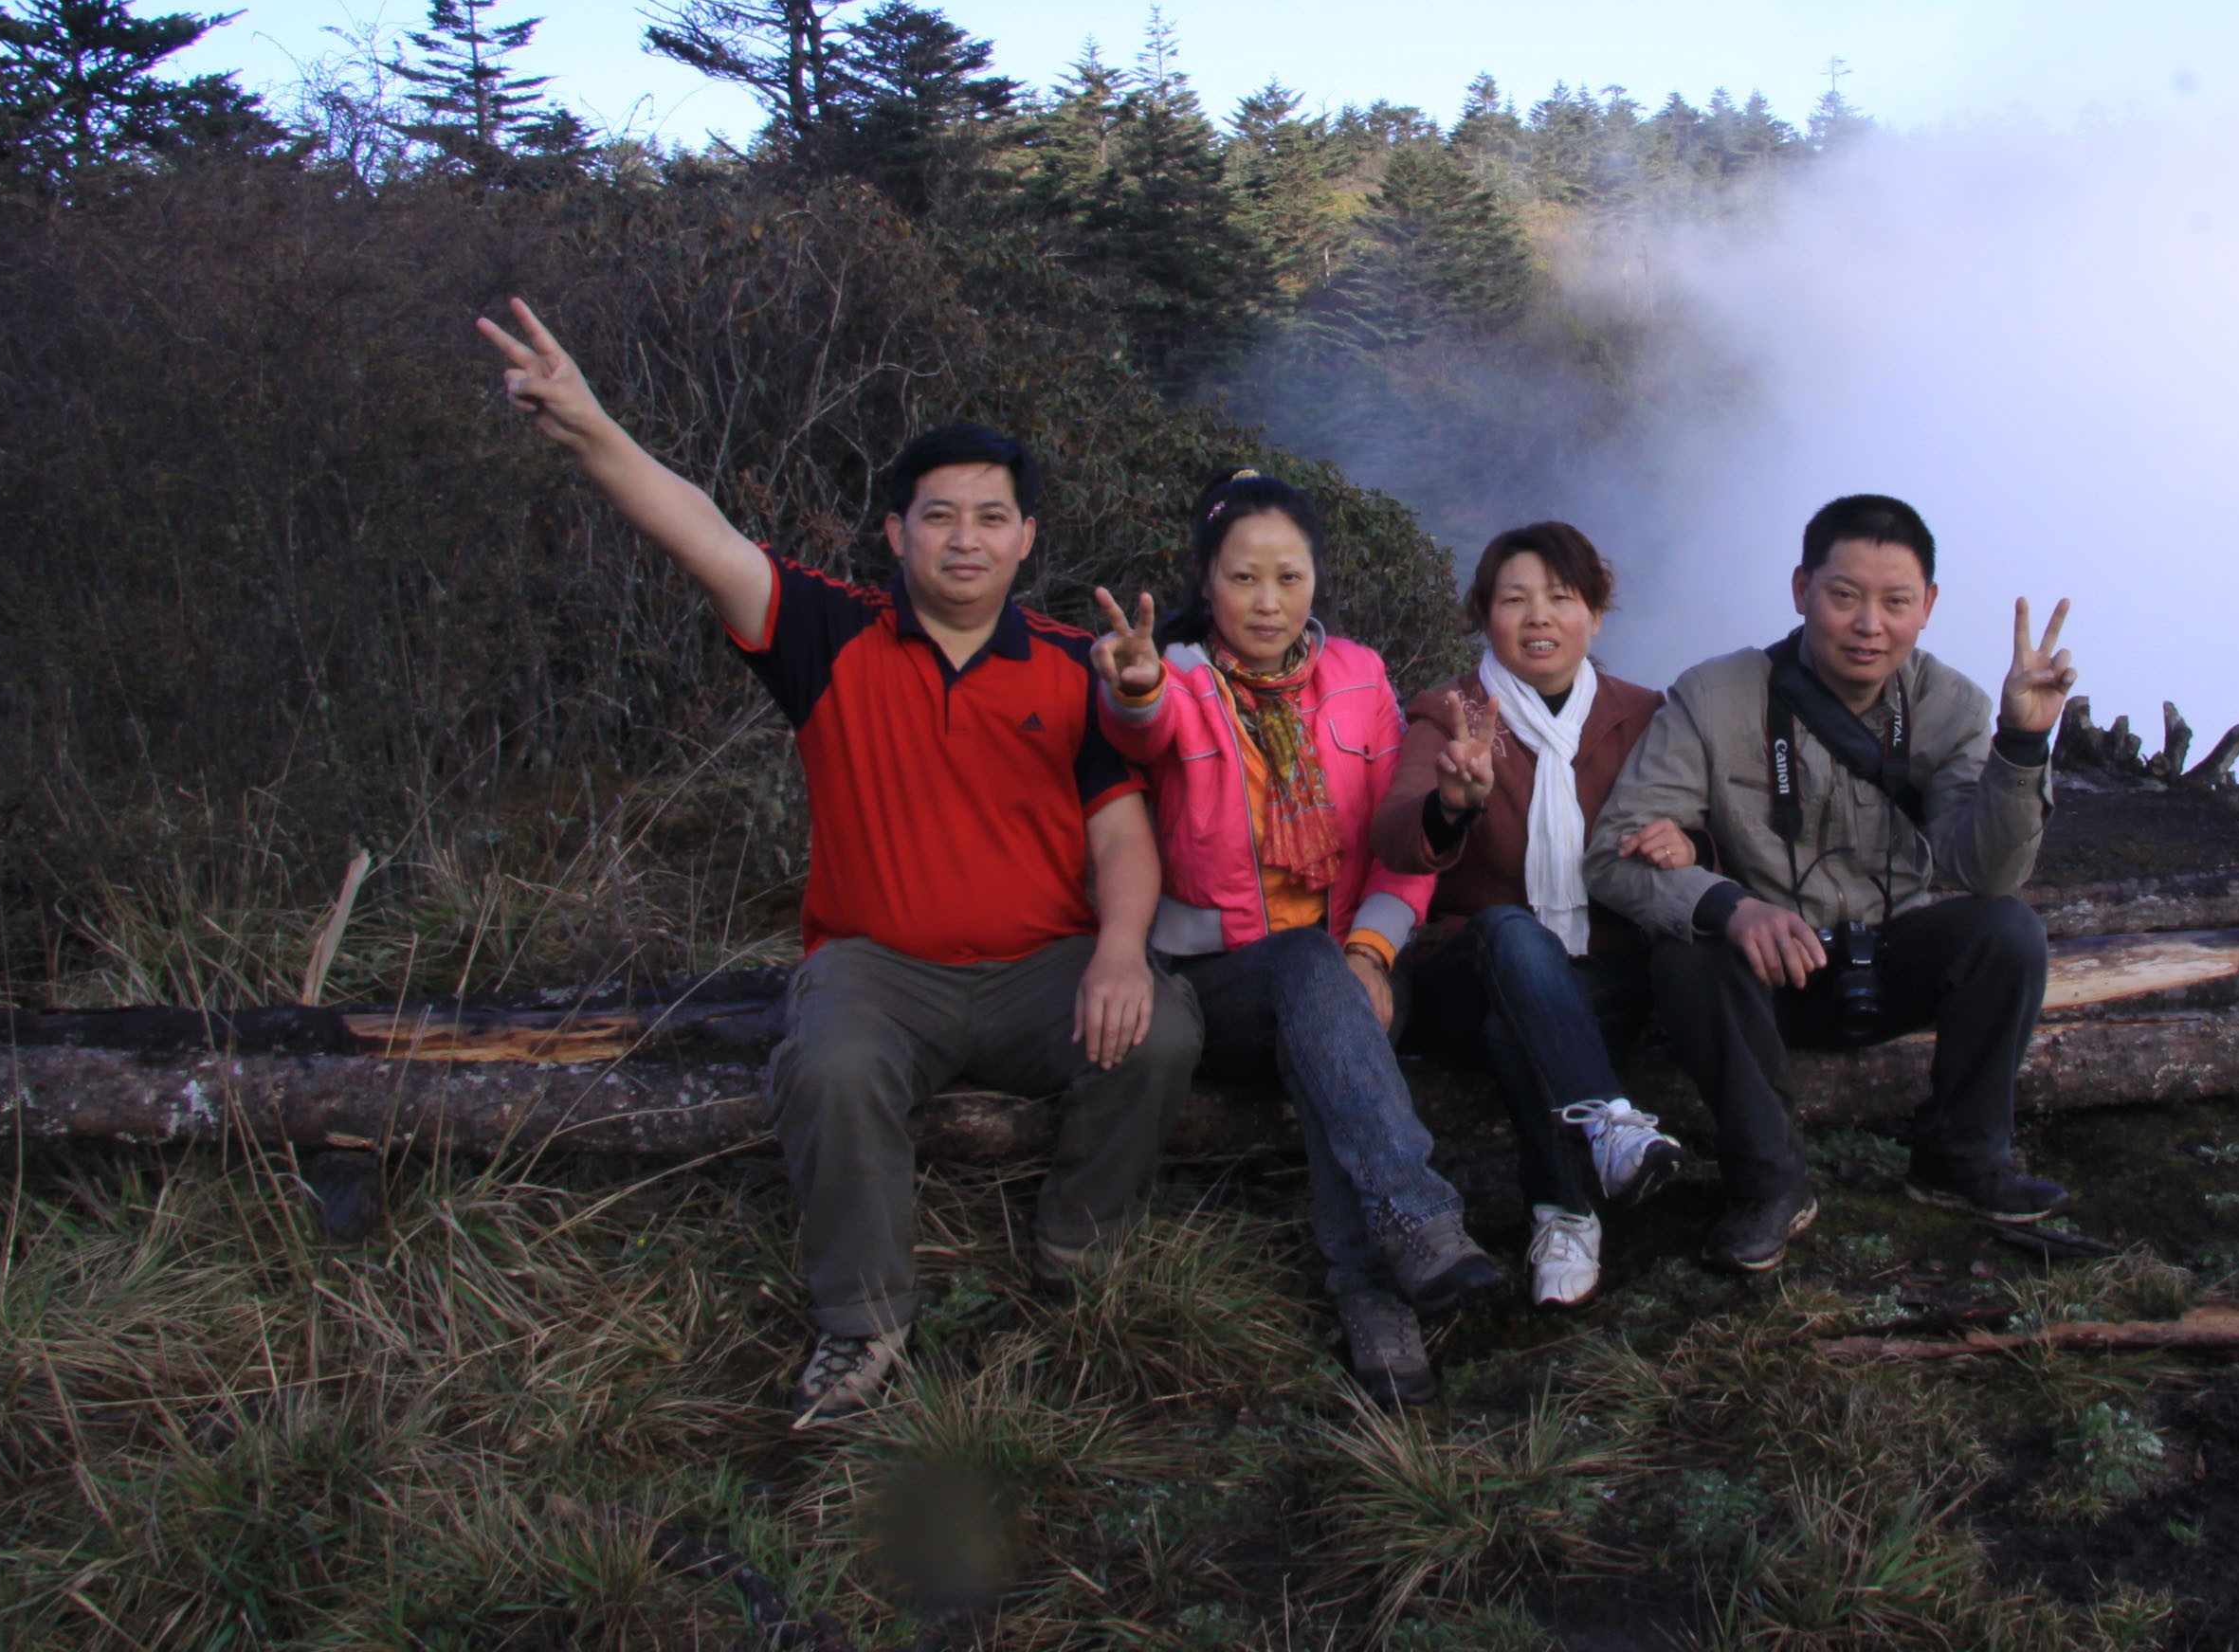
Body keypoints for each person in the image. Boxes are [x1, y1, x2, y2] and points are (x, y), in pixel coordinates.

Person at [477, 299, 1201, 1428]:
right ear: (895, 533)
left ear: (1027, 539)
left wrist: (1118, 954)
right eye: (940, 516)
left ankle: (1078, 1253)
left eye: (992, 517)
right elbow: (701, 531)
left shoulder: (1080, 665)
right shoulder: (829, 633)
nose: (965, 537)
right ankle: (864, 1323)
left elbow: (1121, 830)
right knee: (828, 1065)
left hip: (1038, 969)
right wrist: (587, 424)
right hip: (880, 966)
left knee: (1161, 1025)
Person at [1086, 471, 1503, 1406]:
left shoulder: (1359, 677)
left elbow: (1403, 843)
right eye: (1242, 579)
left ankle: (1378, 1296)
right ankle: (1418, 1223)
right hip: (1215, 979)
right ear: (1206, 579)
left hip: (1345, 970)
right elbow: (1139, 727)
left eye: (1289, 576)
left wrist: (1375, 951)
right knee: (1314, 979)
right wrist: (1138, 689)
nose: (1267, 602)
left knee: (1330, 1007)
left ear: (1317, 577)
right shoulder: (1179, 675)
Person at [1585, 493, 2077, 1274]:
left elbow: (1988, 872)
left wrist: (2022, 742)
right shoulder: (1715, 697)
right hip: (1767, 971)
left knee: (2006, 930)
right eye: (1844, 595)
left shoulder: (1953, 706)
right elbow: (1613, 853)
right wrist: (1729, 905)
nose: (1868, 623)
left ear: (1930, 608)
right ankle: (1770, 1185)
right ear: (1800, 590)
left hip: (1888, 957)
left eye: (1895, 602)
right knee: (1690, 954)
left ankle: (1961, 1160)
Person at [1372, 522, 1694, 1310]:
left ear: (1596, 615)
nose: (1539, 616)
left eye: (1561, 597)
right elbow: (1393, 835)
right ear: (1485, 615)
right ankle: (1612, 1127)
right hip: (1464, 969)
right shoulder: (1449, 713)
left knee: (1516, 1026)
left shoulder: (1642, 714)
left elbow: (1696, 817)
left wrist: (1688, 839)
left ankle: (1563, 1213)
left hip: (1597, 972)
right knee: (1514, 934)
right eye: (1515, 599)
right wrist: (1451, 805)